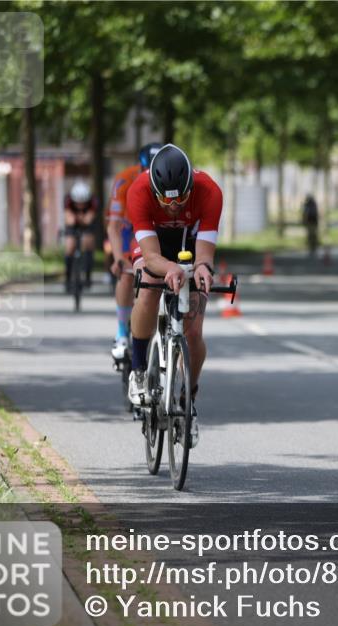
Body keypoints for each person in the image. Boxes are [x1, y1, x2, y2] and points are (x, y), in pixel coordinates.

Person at [125, 144, 222, 448]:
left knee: (193, 329)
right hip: (154, 244)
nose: (173, 207)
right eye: (166, 201)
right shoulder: (138, 191)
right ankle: (139, 369)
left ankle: (187, 399)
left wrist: (204, 269)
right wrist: (167, 269)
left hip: (189, 242)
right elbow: (151, 255)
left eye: (180, 200)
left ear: (190, 187)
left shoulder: (209, 191)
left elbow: (205, 254)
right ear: (153, 189)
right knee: (148, 287)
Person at [105, 142, 162, 361]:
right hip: (130, 229)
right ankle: (121, 332)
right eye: (144, 171)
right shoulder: (124, 180)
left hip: (159, 228)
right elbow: (114, 225)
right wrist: (118, 257)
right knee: (127, 275)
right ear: (139, 166)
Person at [64, 180, 98, 292]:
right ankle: (68, 279)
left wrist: (83, 219)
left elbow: (89, 219)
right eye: (77, 203)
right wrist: (76, 219)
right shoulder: (68, 200)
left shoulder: (93, 201)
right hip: (73, 226)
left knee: (88, 242)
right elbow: (69, 219)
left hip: (88, 226)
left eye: (83, 203)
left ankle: (88, 276)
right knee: (70, 246)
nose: (80, 205)